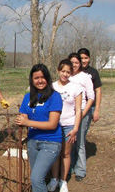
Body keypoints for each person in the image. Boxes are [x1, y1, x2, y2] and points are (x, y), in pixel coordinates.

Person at [15, 64, 63, 192]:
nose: (40, 80)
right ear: (32, 80)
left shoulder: (55, 96)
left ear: (47, 78)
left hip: (51, 142)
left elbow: (52, 124)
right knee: (37, 177)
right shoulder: (28, 97)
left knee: (36, 179)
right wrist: (21, 120)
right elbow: (23, 116)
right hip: (33, 142)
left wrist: (27, 121)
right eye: (36, 78)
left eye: (42, 77)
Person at [48, 59, 82, 192]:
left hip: (68, 125)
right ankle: (54, 179)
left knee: (66, 154)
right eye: (63, 71)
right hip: (54, 125)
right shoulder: (51, 87)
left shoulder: (76, 88)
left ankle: (63, 181)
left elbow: (78, 110)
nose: (65, 74)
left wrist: (75, 128)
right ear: (58, 71)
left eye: (68, 72)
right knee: (54, 153)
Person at [68, 53, 94, 181]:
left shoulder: (85, 77)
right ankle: (69, 167)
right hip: (69, 112)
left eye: (76, 62)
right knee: (69, 140)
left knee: (79, 141)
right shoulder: (66, 76)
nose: (74, 65)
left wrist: (84, 113)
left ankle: (80, 170)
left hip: (82, 111)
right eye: (72, 62)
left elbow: (91, 97)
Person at [78, 48, 102, 133]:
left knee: (82, 132)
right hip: (76, 105)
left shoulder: (93, 72)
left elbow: (98, 90)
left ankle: (80, 146)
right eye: (81, 58)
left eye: (86, 58)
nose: (84, 61)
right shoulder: (74, 71)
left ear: (89, 58)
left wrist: (96, 110)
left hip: (89, 106)